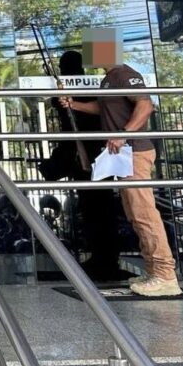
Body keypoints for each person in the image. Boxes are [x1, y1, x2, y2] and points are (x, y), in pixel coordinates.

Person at [61, 64, 181, 296]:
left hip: (134, 152)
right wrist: (74, 104)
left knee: (144, 214)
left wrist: (123, 133)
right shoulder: (109, 78)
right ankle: (153, 270)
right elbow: (103, 107)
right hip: (124, 155)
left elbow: (145, 105)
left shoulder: (125, 74)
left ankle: (165, 274)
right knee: (135, 214)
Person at [39, 51, 121, 281]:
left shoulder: (76, 90)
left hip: (90, 154)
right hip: (97, 153)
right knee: (98, 206)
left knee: (95, 207)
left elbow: (70, 118)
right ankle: (104, 256)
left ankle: (104, 258)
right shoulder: (90, 86)